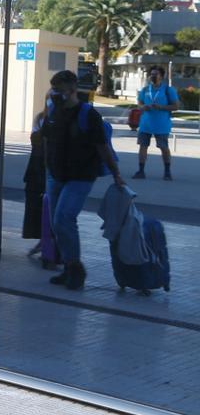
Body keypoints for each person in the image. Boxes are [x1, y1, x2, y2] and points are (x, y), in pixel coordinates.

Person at [41, 70, 124, 290]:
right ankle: (68, 266)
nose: (55, 93)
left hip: (80, 177)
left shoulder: (88, 115)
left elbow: (102, 147)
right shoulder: (53, 111)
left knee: (63, 219)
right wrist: (47, 167)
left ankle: (76, 269)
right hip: (56, 174)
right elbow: (46, 138)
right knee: (56, 224)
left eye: (59, 90)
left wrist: (116, 174)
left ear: (72, 89)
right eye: (53, 89)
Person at [133, 65, 179, 180]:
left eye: (156, 74)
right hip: (145, 124)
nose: (153, 76)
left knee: (163, 148)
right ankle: (141, 171)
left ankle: (167, 172)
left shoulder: (168, 90)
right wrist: (143, 107)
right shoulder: (145, 89)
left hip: (161, 125)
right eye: (151, 74)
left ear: (161, 76)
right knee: (143, 146)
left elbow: (176, 106)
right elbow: (139, 103)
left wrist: (161, 107)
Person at [22, 91, 50, 258]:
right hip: (37, 166)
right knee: (35, 205)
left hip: (53, 168)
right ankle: (41, 239)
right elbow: (35, 140)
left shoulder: (63, 119)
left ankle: (47, 243)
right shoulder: (40, 118)